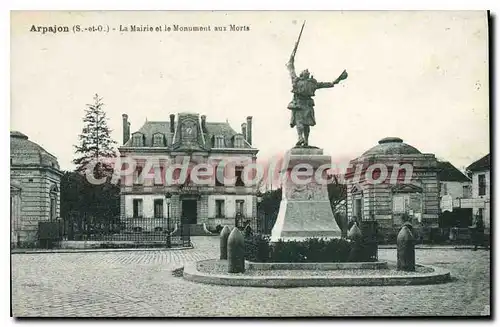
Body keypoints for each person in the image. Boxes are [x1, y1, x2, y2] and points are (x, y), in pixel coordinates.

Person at [286, 55, 347, 147]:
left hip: (299, 104)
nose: (307, 71)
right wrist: (337, 80)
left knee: (301, 123)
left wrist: (291, 62)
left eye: (307, 71)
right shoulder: (310, 83)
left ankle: (301, 138)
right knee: (305, 124)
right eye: (305, 71)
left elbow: (291, 69)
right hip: (306, 105)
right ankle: (304, 140)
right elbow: (327, 84)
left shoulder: (297, 81)